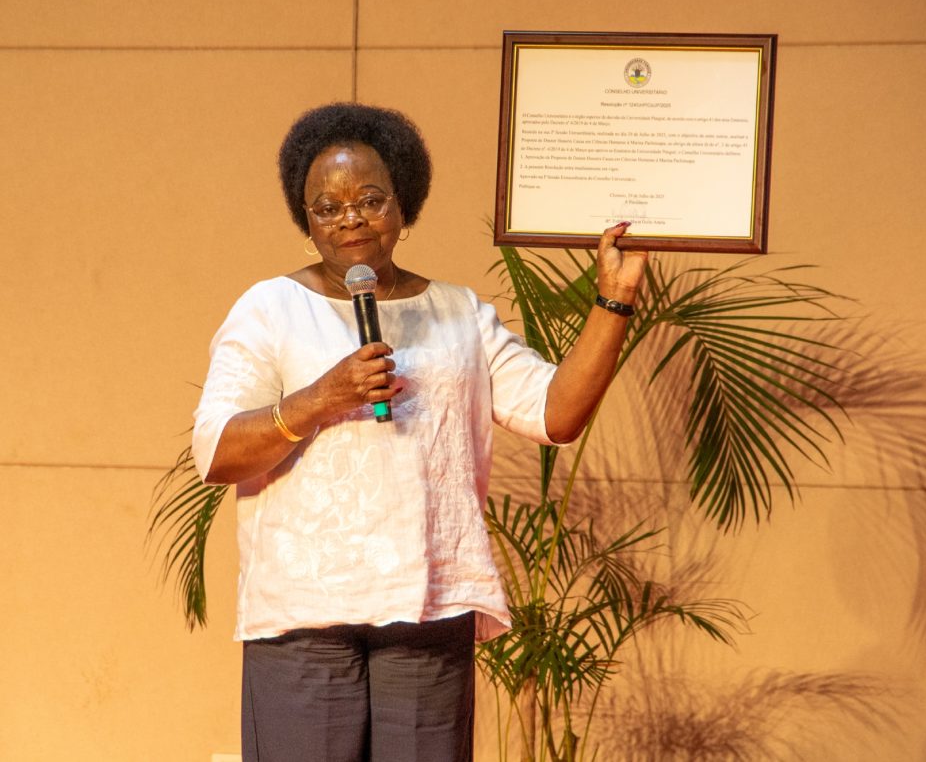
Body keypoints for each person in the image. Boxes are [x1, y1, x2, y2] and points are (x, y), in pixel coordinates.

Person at [192, 102, 648, 762]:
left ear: (405, 205)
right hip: (305, 619)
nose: (348, 217)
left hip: (429, 611)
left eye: (369, 199)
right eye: (326, 206)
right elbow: (217, 450)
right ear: (305, 220)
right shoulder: (270, 309)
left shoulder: (458, 314)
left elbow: (557, 412)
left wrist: (614, 300)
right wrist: (324, 397)